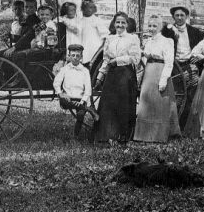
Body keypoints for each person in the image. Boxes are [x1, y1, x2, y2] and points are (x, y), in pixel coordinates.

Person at [93, 12, 141, 144]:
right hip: (112, 74)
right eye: (118, 22)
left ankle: (123, 135)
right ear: (114, 24)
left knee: (123, 105)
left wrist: (117, 61)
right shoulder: (110, 39)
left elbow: (135, 58)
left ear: (127, 24)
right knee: (108, 104)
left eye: (123, 22)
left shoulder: (132, 39)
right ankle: (107, 135)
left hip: (126, 74)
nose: (120, 25)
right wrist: (100, 77)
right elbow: (106, 60)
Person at [133, 15, 181, 143]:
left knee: (159, 102)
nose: (151, 28)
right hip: (149, 72)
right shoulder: (148, 41)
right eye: (150, 26)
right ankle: (143, 134)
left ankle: (158, 135)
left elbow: (169, 63)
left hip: (160, 71)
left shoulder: (167, 41)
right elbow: (145, 59)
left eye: (155, 26)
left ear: (160, 27)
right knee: (146, 101)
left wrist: (164, 79)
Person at [166, 5, 204, 130]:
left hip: (190, 66)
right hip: (174, 67)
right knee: (175, 96)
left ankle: (185, 127)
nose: (179, 18)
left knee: (190, 96)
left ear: (186, 16)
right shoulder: (168, 31)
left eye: (182, 15)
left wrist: (200, 57)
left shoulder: (196, 32)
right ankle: (173, 126)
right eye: (177, 15)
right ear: (173, 17)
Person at [53, 44, 98, 136]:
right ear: (69, 56)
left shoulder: (85, 71)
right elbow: (56, 83)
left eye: (78, 56)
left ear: (81, 57)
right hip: (67, 99)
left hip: (80, 99)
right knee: (66, 101)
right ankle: (89, 109)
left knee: (80, 114)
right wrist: (60, 93)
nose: (75, 58)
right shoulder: (65, 69)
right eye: (73, 55)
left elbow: (88, 90)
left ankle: (76, 135)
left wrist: (82, 101)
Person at [64, 0, 108, 69]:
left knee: (93, 65)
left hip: (94, 48)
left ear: (94, 9)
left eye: (91, 7)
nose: (88, 10)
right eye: (85, 7)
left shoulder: (97, 20)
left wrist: (101, 49)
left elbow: (105, 35)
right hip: (83, 47)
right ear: (82, 9)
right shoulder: (79, 21)